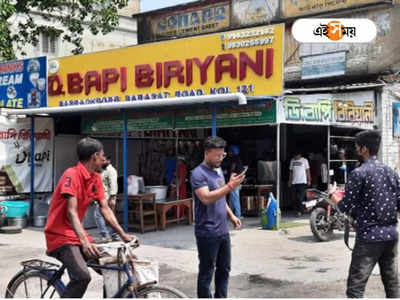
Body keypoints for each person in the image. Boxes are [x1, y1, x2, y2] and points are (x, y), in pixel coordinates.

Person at [44, 137, 133, 298]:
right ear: (94, 157)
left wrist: (123, 234)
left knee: (111, 267)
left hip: (78, 235)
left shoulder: (96, 178)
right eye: (103, 155)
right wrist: (84, 242)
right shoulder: (71, 175)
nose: (104, 159)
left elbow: (105, 210)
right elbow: (71, 211)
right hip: (60, 236)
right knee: (82, 277)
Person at [330, 130, 399, 298]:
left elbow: (346, 206)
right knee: (392, 284)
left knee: (355, 287)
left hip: (369, 238)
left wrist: (334, 197)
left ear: (364, 149)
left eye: (357, 147)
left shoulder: (359, 174)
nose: (355, 151)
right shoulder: (391, 173)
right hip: (390, 237)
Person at [190, 136, 244, 298]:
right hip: (207, 231)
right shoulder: (198, 174)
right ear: (207, 153)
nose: (221, 158)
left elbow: (220, 196)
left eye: (223, 155)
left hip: (222, 230)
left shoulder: (218, 170)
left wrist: (232, 215)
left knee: (224, 269)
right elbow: (206, 198)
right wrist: (230, 186)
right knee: (207, 272)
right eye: (218, 155)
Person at [94, 155, 119, 243]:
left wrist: (113, 197)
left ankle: (105, 235)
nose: (102, 162)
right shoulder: (102, 170)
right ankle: (114, 235)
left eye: (103, 160)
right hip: (102, 196)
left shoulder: (111, 171)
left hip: (107, 197)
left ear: (108, 161)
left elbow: (113, 185)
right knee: (109, 216)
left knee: (98, 215)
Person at [222, 145, 244, 218]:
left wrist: (229, 176)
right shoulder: (236, 159)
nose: (229, 152)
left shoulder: (235, 159)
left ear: (234, 152)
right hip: (236, 180)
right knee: (232, 198)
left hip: (234, 180)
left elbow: (232, 169)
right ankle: (231, 213)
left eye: (231, 151)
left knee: (235, 197)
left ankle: (238, 214)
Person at [288, 152, 311, 216]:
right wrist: (290, 181)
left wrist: (309, 180)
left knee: (301, 198)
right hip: (294, 182)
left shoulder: (304, 160)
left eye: (296, 156)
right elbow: (291, 171)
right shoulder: (292, 161)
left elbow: (307, 171)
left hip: (302, 182)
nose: (295, 157)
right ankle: (297, 210)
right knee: (294, 198)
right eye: (294, 156)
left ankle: (300, 211)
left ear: (300, 155)